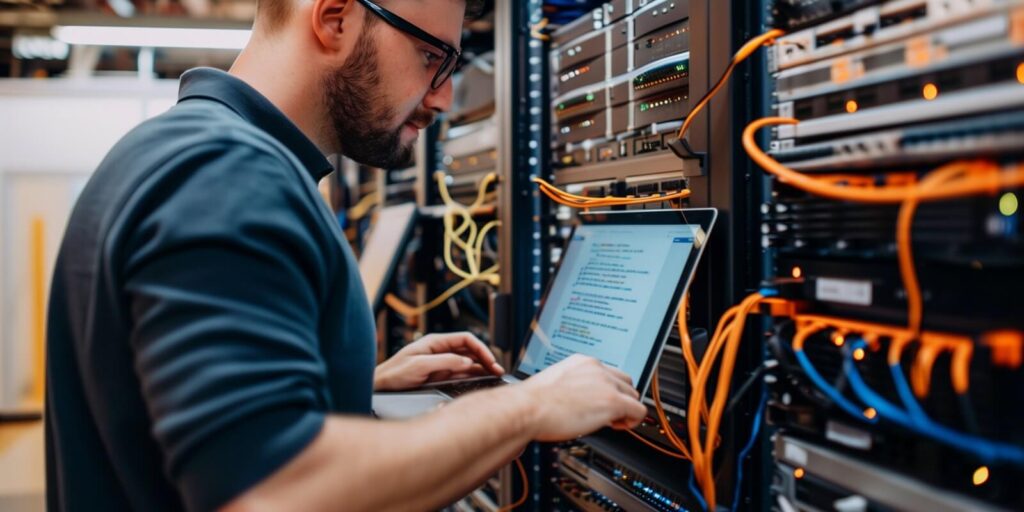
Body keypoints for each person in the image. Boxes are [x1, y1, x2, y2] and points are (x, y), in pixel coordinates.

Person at [44, 0, 648, 510]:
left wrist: (349, 386)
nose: (441, 100)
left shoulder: (182, 147)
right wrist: (529, 406)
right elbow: (272, 489)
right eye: (431, 58)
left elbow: (174, 423)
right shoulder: (228, 175)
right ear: (334, 18)